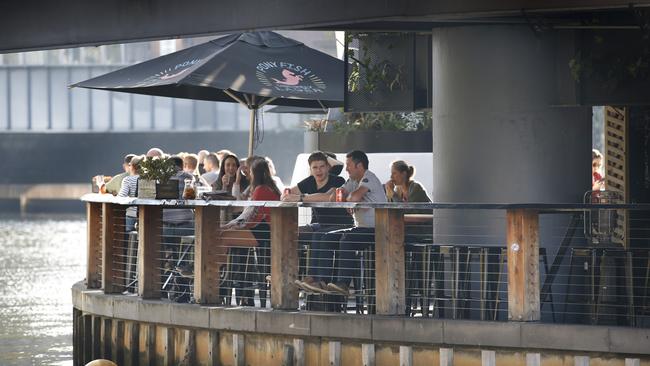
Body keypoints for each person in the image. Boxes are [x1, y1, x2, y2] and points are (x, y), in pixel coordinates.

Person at [283, 151, 353, 293]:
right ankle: (286, 275)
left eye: (322, 167)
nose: (318, 170)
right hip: (321, 224)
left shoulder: (338, 181)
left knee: (319, 235)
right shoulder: (309, 181)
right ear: (311, 169)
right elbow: (288, 192)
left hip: (342, 225)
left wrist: (301, 198)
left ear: (328, 167)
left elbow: (328, 197)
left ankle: (318, 279)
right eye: (315, 167)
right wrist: (286, 195)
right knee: (290, 233)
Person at [322, 150, 387, 296]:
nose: (346, 169)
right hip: (360, 229)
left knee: (347, 239)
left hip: (377, 230)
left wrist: (350, 201)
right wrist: (347, 198)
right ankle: (321, 282)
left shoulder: (369, 178)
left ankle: (343, 284)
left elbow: (354, 197)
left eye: (348, 165)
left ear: (359, 166)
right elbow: (336, 196)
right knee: (326, 237)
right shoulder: (352, 181)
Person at [220, 159, 281, 306]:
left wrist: (232, 225)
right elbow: (249, 214)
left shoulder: (260, 189)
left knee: (222, 236)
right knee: (223, 233)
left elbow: (250, 216)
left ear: (255, 173)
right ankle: (220, 274)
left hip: (263, 231)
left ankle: (219, 274)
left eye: (251, 172)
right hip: (266, 229)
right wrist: (233, 225)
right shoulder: (269, 188)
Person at [118, 155, 143, 232]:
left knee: (128, 236)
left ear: (132, 166)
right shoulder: (148, 179)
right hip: (144, 214)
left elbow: (121, 196)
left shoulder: (128, 180)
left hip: (131, 214)